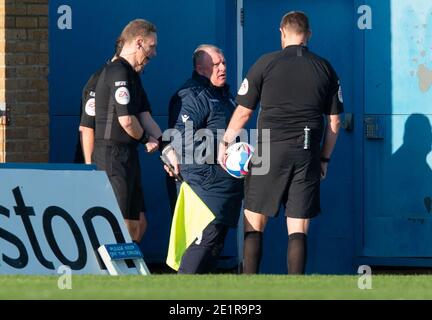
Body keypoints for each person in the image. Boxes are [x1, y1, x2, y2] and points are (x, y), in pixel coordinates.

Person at [218, 11, 343, 274]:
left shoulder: (265, 63)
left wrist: (225, 142)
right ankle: (294, 290)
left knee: (254, 220)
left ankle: (250, 289)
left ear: (282, 32)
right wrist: (324, 159)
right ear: (308, 35)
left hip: (269, 151)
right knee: (298, 228)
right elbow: (334, 123)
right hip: (307, 152)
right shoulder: (326, 68)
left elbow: (243, 112)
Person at [164, 44, 243, 274]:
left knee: (214, 247)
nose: (222, 68)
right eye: (215, 64)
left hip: (225, 186)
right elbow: (181, 138)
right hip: (202, 185)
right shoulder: (192, 96)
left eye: (224, 63)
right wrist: (223, 154)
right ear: (200, 68)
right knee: (202, 244)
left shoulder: (226, 95)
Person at [92, 19, 162, 243]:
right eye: (152, 47)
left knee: (137, 223)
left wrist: (166, 147)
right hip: (111, 156)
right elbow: (127, 121)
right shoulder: (117, 71)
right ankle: (105, 274)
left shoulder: (133, 76)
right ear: (139, 43)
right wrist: (146, 140)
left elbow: (144, 116)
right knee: (117, 222)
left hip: (128, 155)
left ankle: (128, 274)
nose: (154, 54)